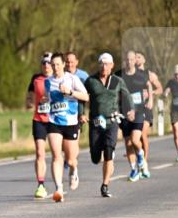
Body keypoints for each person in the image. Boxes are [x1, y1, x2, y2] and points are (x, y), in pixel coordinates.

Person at [83, 53, 134, 198]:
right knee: (95, 158)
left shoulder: (117, 81)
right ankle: (102, 156)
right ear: (98, 65)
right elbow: (82, 98)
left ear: (112, 66)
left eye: (107, 64)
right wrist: (81, 113)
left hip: (112, 121)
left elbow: (127, 96)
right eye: (101, 64)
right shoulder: (91, 81)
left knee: (108, 151)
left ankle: (105, 185)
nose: (104, 67)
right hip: (95, 122)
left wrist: (131, 109)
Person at [44, 52, 89, 202]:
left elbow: (86, 96)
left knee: (70, 160)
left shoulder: (72, 79)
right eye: (53, 65)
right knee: (56, 156)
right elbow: (47, 98)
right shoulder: (48, 81)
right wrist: (44, 102)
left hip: (70, 123)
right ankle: (58, 189)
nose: (55, 67)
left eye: (58, 64)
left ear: (63, 64)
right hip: (54, 121)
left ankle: (73, 170)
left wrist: (70, 92)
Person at [117, 50, 153, 181]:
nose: (129, 62)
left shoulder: (141, 75)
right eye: (127, 60)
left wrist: (150, 100)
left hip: (138, 111)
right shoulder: (119, 75)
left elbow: (149, 85)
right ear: (124, 61)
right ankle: (133, 170)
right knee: (128, 143)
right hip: (124, 112)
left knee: (135, 140)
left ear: (135, 60)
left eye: (132, 59)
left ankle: (140, 155)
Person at [25, 52, 54, 198]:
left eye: (49, 63)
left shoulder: (59, 78)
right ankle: (41, 185)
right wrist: (30, 103)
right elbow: (29, 96)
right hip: (39, 120)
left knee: (58, 154)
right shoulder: (35, 78)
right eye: (44, 63)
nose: (46, 65)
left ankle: (65, 174)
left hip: (55, 120)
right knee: (40, 153)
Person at [136, 52, 164, 165]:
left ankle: (145, 160)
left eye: (139, 57)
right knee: (135, 135)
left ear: (144, 60)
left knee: (143, 133)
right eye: (135, 57)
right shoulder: (130, 74)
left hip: (146, 107)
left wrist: (150, 93)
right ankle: (139, 151)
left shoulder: (150, 74)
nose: (136, 59)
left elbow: (160, 89)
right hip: (135, 108)